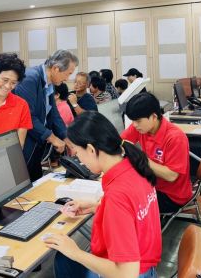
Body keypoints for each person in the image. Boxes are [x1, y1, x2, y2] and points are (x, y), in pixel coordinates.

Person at [46, 111, 161, 278]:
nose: (80, 160)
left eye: (77, 153)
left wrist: (76, 252)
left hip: (133, 272)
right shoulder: (135, 167)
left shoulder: (117, 196)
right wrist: (98, 207)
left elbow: (127, 274)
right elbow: (133, 214)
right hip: (147, 267)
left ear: (91, 150)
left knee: (65, 258)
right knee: (65, 259)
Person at [122, 92, 192, 213]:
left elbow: (171, 176)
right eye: (132, 121)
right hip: (153, 184)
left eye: (138, 121)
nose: (134, 125)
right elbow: (120, 142)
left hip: (172, 196)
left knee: (125, 204)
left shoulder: (175, 138)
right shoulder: (141, 127)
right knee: (120, 193)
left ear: (154, 117)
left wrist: (141, 159)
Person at [14, 50, 77, 181]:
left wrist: (66, 138)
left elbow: (54, 114)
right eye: (68, 73)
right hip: (25, 140)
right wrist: (52, 138)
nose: (67, 79)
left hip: (37, 140)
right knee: (23, 180)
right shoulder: (29, 79)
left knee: (35, 179)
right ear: (56, 68)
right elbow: (28, 116)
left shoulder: (49, 82)